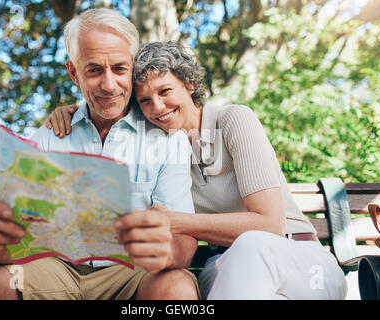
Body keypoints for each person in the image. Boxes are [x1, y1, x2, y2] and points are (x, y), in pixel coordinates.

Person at [46, 41, 348, 299]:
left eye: (166, 91)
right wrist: (70, 112)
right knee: (203, 280)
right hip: (229, 270)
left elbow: (269, 224)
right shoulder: (160, 147)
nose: (158, 106)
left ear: (189, 84)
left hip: (303, 267)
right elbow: (106, 106)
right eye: (145, 100)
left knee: (251, 245)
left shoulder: (233, 120)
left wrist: (174, 221)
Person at [0, 9, 200, 300]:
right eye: (94, 70)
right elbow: (11, 233)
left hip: (132, 272)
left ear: (132, 68)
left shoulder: (167, 138)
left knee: (176, 287)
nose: (108, 84)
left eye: (119, 68)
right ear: (74, 72)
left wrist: (163, 249)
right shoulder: (49, 137)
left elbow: (184, 242)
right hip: (54, 270)